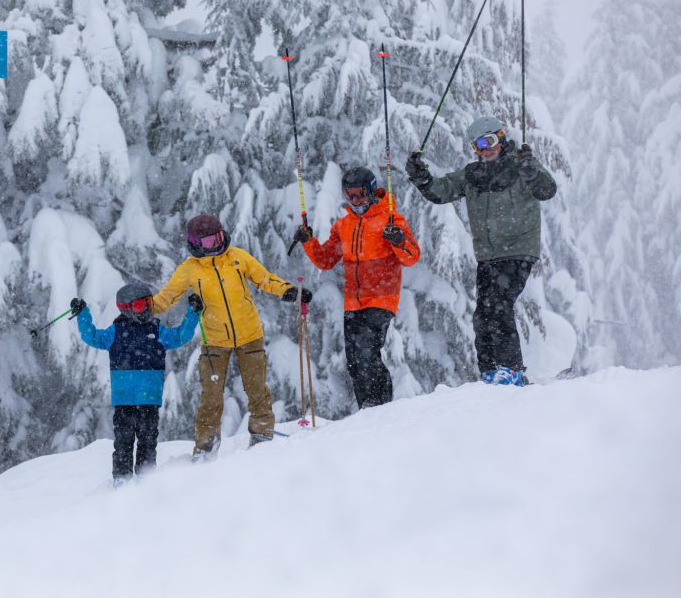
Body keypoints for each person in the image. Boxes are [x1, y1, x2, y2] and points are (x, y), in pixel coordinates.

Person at [405, 115, 557, 385]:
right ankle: (490, 372)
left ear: (501, 138)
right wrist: (422, 178)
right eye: (477, 145)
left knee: (499, 304)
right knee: (483, 315)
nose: (484, 150)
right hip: (488, 256)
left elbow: (546, 190)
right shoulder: (472, 175)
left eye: (488, 141)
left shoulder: (520, 166)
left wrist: (531, 172)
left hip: (518, 249)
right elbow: (441, 191)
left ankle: (511, 369)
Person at [152, 214, 312, 458]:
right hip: (214, 341)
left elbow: (264, 278)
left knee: (257, 389)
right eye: (207, 242)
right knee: (211, 397)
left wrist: (288, 291)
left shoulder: (237, 257)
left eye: (217, 238)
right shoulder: (189, 269)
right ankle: (206, 447)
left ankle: (262, 435)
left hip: (249, 335)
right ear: (195, 244)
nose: (215, 245)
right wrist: (141, 309)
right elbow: (165, 299)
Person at [293, 166, 421, 408]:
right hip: (354, 301)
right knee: (353, 358)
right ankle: (367, 406)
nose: (354, 201)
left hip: (382, 297)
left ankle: (380, 404)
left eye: (359, 194)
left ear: (371, 192)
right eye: (348, 195)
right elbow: (326, 260)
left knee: (367, 351)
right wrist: (308, 241)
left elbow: (411, 257)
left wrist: (398, 240)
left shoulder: (390, 219)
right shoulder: (344, 226)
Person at [71, 283, 201, 486]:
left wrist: (193, 313)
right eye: (141, 306)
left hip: (149, 400)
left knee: (148, 442)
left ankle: (145, 478)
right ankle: (121, 479)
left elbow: (180, 336)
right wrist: (82, 314)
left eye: (149, 303)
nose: (147, 309)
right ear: (126, 308)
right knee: (123, 442)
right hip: (124, 402)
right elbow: (92, 336)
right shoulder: (116, 331)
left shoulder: (156, 329)